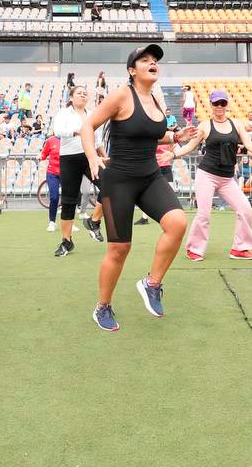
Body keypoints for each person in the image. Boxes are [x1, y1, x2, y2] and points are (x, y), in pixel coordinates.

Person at [80, 44, 199, 332]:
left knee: (178, 223)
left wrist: (175, 137)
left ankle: (151, 284)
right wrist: (92, 157)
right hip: (118, 182)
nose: (152, 63)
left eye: (155, 59)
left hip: (150, 177)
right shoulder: (121, 95)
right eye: (144, 60)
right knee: (119, 249)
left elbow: (151, 134)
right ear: (132, 70)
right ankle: (103, 306)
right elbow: (87, 125)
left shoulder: (156, 99)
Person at [173, 89, 252, 261]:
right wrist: (174, 154)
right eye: (216, 103)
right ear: (211, 105)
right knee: (204, 214)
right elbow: (190, 146)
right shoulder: (205, 125)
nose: (219, 106)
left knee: (245, 209)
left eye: (223, 103)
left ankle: (240, 248)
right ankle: (194, 249)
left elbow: (248, 143)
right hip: (207, 175)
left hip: (227, 178)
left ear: (227, 104)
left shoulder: (237, 124)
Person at [52, 85, 103, 256]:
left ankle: (94, 221)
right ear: (71, 97)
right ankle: (66, 242)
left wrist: (104, 156)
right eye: (79, 93)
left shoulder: (92, 114)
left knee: (110, 185)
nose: (82, 95)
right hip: (69, 159)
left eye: (85, 93)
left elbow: (98, 139)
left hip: (90, 157)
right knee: (68, 200)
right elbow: (58, 131)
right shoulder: (64, 113)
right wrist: (75, 132)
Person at [40, 134, 62, 234]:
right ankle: (52, 222)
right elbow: (44, 155)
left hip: (67, 173)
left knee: (69, 198)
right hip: (52, 173)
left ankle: (69, 222)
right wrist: (40, 156)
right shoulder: (50, 140)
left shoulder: (71, 139)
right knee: (54, 197)